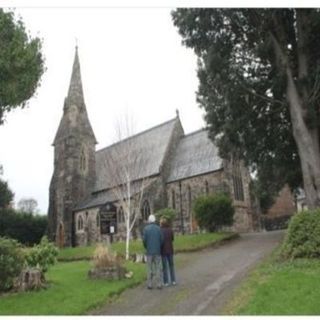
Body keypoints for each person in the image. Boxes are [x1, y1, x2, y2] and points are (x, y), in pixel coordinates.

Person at [143, 214, 163, 289]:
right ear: (154, 220)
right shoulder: (158, 228)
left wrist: (147, 247)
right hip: (157, 251)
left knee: (149, 268)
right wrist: (159, 246)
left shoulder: (146, 229)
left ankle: (150, 284)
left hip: (149, 252)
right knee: (158, 267)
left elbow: (144, 240)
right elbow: (162, 239)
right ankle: (159, 284)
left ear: (149, 221)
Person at [160, 217, 176, 286]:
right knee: (171, 266)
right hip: (170, 249)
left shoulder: (160, 231)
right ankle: (173, 280)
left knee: (164, 267)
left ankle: (166, 281)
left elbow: (160, 241)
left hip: (163, 251)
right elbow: (172, 239)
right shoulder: (170, 230)